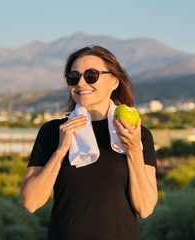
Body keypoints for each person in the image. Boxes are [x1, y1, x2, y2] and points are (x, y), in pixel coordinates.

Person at [20, 45, 158, 240]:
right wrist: (61, 150)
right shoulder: (53, 132)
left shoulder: (137, 135)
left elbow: (145, 208)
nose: (81, 83)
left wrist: (134, 150)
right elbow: (30, 201)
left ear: (114, 81)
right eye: (73, 77)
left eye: (91, 75)